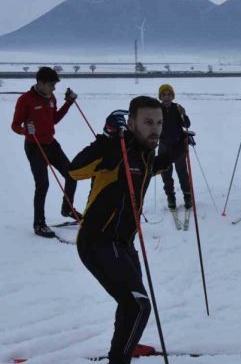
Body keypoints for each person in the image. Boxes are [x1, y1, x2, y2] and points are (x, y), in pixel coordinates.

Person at [70, 96, 184, 363]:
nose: (155, 128)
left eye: (158, 122)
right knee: (138, 305)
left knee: (130, 303)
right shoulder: (115, 152)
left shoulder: (144, 155)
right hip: (97, 242)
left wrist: (180, 144)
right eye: (147, 122)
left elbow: (156, 166)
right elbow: (74, 170)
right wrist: (107, 140)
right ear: (131, 123)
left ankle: (126, 343)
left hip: (124, 243)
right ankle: (119, 358)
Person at [10, 66, 80, 238]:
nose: (54, 88)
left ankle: (67, 208)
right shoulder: (25, 100)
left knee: (72, 174)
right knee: (43, 185)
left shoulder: (51, 98)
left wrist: (68, 103)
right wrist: (26, 131)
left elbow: (54, 119)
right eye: (51, 84)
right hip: (34, 147)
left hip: (51, 143)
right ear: (40, 83)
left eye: (55, 84)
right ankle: (39, 224)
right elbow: (15, 125)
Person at [157, 84, 193, 210]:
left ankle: (187, 196)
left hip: (178, 146)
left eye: (169, 94)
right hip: (163, 146)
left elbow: (186, 124)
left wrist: (184, 114)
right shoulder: (156, 109)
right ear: (160, 96)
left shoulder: (177, 108)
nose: (166, 97)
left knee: (182, 173)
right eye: (164, 95)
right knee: (166, 174)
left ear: (172, 96)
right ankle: (170, 197)